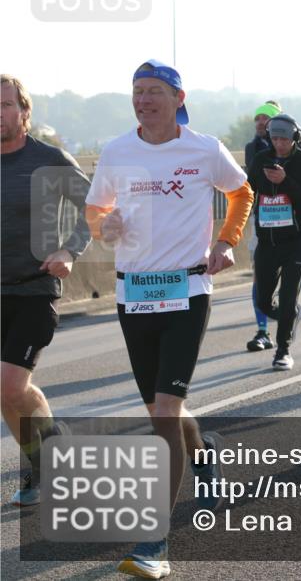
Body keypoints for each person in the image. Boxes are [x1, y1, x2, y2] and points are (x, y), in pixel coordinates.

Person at [85, 60, 254, 578]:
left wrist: (225, 242)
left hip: (187, 289)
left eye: (154, 91)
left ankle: (154, 542)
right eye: (137, 91)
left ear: (179, 97)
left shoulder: (203, 148)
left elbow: (241, 192)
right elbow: (95, 213)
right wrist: (104, 225)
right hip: (133, 295)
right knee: (165, 407)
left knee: (163, 409)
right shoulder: (116, 151)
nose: (143, 100)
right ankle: (203, 457)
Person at [1, 75, 92, 506]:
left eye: (4, 106)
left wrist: (70, 252)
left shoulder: (49, 159)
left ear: (23, 111)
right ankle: (40, 466)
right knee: (5, 393)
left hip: (35, 289)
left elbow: (92, 210)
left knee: (11, 384)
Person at [244, 102, 301, 353]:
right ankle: (289, 316)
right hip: (267, 241)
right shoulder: (260, 159)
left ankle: (283, 350)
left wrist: (285, 181)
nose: (279, 144)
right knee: (263, 301)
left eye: (284, 139)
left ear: (294, 138)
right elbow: (249, 192)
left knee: (289, 297)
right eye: (275, 138)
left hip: (295, 241)